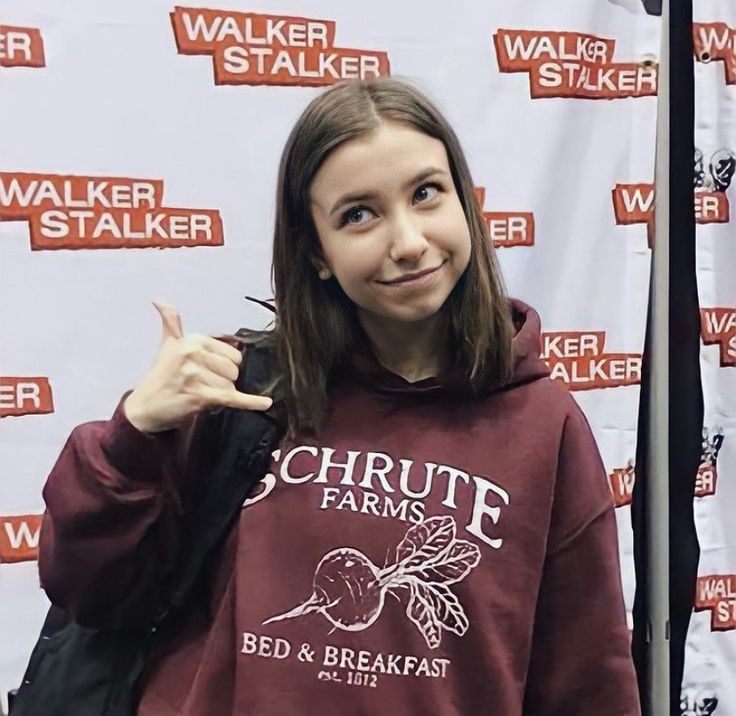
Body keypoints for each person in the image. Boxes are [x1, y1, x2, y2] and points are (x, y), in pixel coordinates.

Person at [37, 76, 640, 715]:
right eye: (359, 215)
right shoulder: (246, 391)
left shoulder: (546, 425)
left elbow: (587, 682)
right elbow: (90, 591)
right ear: (317, 253)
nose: (407, 242)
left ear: (464, 202)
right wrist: (135, 436)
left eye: (426, 194)